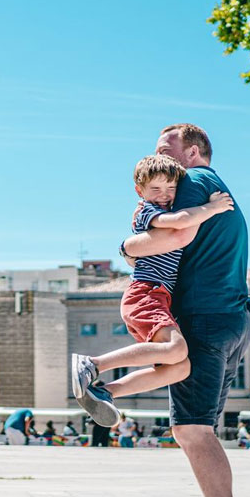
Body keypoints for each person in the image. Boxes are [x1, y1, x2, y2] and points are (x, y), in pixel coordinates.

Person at [120, 123, 250, 497]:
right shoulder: (216, 187)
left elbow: (173, 236)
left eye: (166, 150)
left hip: (203, 316)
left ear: (193, 151)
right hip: (233, 319)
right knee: (202, 429)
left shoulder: (192, 183)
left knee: (192, 430)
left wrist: (126, 246)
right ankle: (108, 391)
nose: (159, 160)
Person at [71, 155, 234, 428]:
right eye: (156, 189)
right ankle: (92, 363)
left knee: (181, 368)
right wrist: (212, 207)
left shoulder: (164, 208)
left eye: (170, 189)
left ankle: (105, 391)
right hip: (145, 294)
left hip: (157, 298)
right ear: (141, 191)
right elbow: (182, 220)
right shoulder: (146, 212)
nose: (164, 195)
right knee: (175, 349)